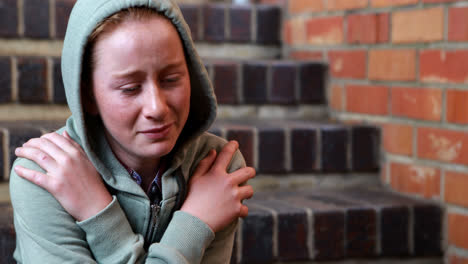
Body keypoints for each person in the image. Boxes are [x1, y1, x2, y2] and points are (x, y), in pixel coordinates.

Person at [9, 0, 255, 263]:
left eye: (171, 79)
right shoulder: (46, 175)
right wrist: (195, 224)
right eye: (130, 88)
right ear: (88, 96)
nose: (156, 107)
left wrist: (96, 212)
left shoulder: (216, 171)